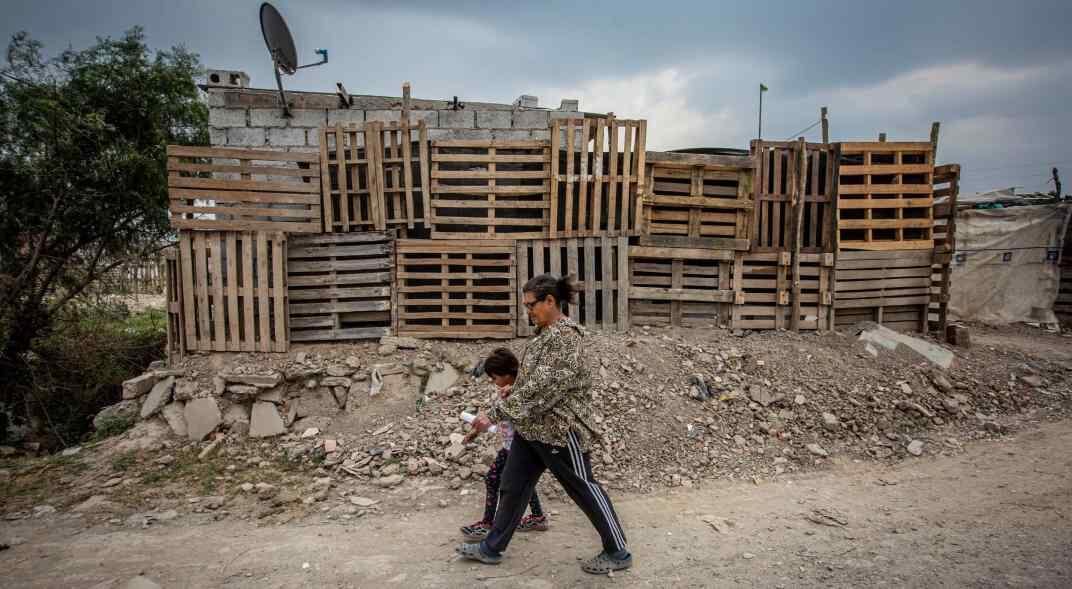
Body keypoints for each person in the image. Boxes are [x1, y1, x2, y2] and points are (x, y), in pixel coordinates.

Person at [455, 274, 632, 575]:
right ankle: (491, 548)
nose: (528, 311)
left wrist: (494, 415)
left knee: (583, 488)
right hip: (531, 428)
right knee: (512, 486)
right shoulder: (544, 335)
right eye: (526, 306)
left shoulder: (565, 337)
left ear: (550, 301)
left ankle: (618, 551)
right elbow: (533, 381)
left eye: (531, 305)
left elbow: (543, 390)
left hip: (559, 431)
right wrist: (516, 387)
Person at [459, 348, 549, 541]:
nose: (493, 382)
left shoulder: (522, 392)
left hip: (520, 447)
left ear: (507, 375)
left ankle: (488, 523)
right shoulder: (508, 390)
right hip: (513, 446)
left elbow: (511, 414)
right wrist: (475, 432)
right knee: (525, 482)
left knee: (493, 478)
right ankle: (537, 517)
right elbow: (496, 415)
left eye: (494, 378)